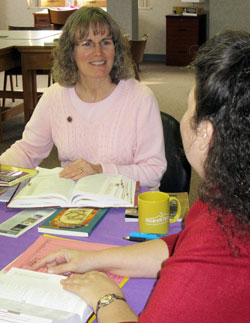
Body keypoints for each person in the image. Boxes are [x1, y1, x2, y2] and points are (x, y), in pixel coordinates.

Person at [33, 30, 250, 322]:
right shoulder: (229, 194)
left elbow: (201, 256)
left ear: (205, 133)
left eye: (188, 108)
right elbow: (183, 246)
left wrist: (106, 298)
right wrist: (93, 259)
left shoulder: (221, 238)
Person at [0, 7, 166, 190]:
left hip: (128, 203)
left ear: (116, 49)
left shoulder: (140, 98)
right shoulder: (54, 97)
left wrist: (100, 170)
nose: (98, 52)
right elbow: (27, 151)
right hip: (74, 202)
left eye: (106, 42)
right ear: (71, 52)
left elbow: (153, 171)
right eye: (87, 43)